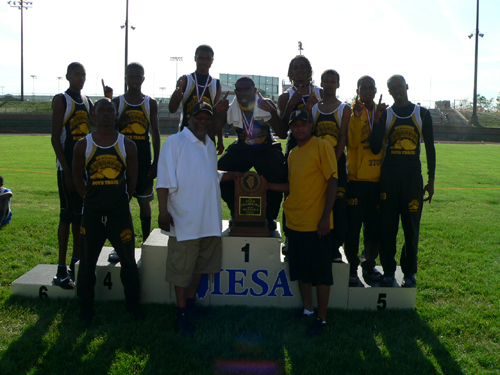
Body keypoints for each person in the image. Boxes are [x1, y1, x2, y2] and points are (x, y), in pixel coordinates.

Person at [157, 102, 239, 337]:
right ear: (189, 118)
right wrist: (163, 212)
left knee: (200, 267)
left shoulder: (209, 143)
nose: (203, 121)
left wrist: (228, 175)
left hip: (209, 220)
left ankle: (191, 305)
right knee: (182, 270)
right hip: (185, 221)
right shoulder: (175, 142)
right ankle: (181, 312)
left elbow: (207, 173)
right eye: (198, 117)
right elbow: (163, 181)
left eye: (207, 118)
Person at [266, 109, 337, 338]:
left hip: (317, 224)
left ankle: (322, 318)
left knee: (321, 275)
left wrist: (326, 216)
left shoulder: (322, 146)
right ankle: (307, 310)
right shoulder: (294, 153)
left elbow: (333, 181)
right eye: (295, 125)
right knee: (302, 272)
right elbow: (291, 186)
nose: (299, 128)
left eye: (303, 124)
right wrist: (267, 186)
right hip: (294, 223)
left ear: (310, 126)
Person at [73, 98, 143, 323]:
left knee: (129, 263)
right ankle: (86, 310)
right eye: (100, 110)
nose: (105, 114)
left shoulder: (127, 145)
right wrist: (88, 198)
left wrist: (124, 199)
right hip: (92, 215)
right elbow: (76, 177)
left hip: (119, 215)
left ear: (116, 115)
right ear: (93, 115)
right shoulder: (83, 145)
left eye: (109, 110)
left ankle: (132, 307)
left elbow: (132, 178)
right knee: (86, 265)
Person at [370, 75, 436, 288]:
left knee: (411, 227)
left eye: (400, 87)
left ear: (407, 87)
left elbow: (430, 148)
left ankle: (409, 272)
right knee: (387, 226)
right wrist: (378, 120)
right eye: (393, 88)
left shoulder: (422, 114)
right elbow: (374, 147)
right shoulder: (386, 114)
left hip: (411, 180)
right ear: (389, 91)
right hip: (389, 179)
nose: (397, 91)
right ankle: (388, 270)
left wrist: (431, 179)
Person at [102, 63, 160, 261]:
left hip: (143, 156)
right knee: (120, 202)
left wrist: (156, 162)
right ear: (126, 78)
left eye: (138, 77)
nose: (134, 80)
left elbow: (156, 134)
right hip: (122, 156)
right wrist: (120, 122)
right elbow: (108, 129)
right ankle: (120, 245)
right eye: (131, 76)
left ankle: (146, 243)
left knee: (144, 201)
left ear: (143, 79)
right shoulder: (117, 102)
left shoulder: (150, 102)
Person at [216, 76, 288, 231]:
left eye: (247, 89)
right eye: (239, 89)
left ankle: (269, 217)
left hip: (266, 147)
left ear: (255, 90)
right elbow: (215, 126)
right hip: (242, 148)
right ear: (235, 91)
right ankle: (236, 211)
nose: (243, 93)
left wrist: (273, 112)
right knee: (219, 171)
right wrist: (218, 112)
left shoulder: (264, 104)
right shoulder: (230, 107)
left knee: (278, 172)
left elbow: (282, 134)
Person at [51, 62, 93, 289]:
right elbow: (55, 138)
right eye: (77, 74)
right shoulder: (62, 100)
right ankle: (60, 270)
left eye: (83, 75)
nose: (80, 78)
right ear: (68, 76)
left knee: (79, 217)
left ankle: (75, 264)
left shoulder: (87, 101)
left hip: (83, 170)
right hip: (67, 169)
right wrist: (67, 172)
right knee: (66, 216)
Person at [277, 55, 323, 251]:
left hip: (317, 143)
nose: (300, 70)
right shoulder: (285, 96)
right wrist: (292, 103)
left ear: (310, 71)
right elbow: (281, 127)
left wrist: (312, 106)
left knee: (318, 187)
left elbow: (325, 119)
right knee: (292, 188)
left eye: (303, 67)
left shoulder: (320, 93)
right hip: (294, 145)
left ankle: (321, 233)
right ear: (290, 73)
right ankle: (290, 234)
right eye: (295, 68)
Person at [344, 76, 383, 286]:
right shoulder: (351, 111)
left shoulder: (382, 111)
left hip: (376, 179)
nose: (367, 91)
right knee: (353, 226)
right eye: (363, 88)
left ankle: (368, 264)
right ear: (357, 91)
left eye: (370, 87)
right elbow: (351, 141)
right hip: (356, 179)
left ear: (376, 90)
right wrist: (358, 117)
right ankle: (351, 267)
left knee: (373, 227)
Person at [311, 69, 351, 262]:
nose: (328, 85)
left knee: (339, 205)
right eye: (325, 81)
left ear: (338, 84)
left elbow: (343, 136)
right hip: (318, 163)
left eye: (332, 81)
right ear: (321, 83)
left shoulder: (344, 108)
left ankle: (335, 247)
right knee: (319, 203)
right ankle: (319, 241)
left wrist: (333, 161)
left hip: (336, 161)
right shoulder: (314, 108)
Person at [168, 44, 224, 154]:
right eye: (200, 58)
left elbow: (217, 115)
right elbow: (172, 109)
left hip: (207, 135)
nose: (204, 62)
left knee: (206, 169)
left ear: (212, 61)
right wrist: (176, 98)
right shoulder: (185, 80)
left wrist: (220, 140)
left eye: (207, 59)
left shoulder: (216, 84)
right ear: (195, 59)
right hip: (187, 133)